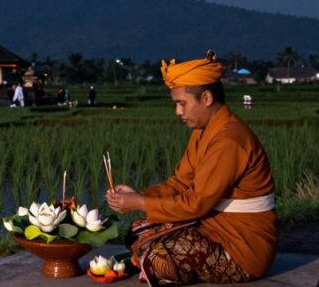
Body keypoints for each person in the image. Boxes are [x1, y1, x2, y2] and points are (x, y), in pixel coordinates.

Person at [106, 51, 277, 284]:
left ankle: (154, 266)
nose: (178, 111)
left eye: (182, 103)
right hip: (211, 226)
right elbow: (180, 183)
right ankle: (153, 263)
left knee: (159, 259)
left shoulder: (228, 140)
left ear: (206, 98)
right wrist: (140, 195)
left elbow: (196, 203)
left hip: (243, 247)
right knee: (139, 231)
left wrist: (140, 203)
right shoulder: (203, 130)